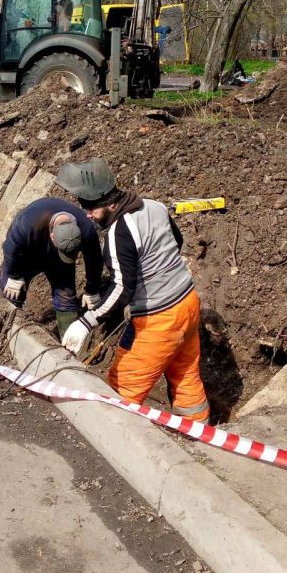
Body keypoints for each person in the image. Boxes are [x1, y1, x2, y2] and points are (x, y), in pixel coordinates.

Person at [55, 158, 210, 423]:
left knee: (122, 386)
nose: (88, 215)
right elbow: (177, 241)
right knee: (185, 374)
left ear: (108, 202)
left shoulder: (119, 232)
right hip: (188, 303)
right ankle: (200, 437)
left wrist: (86, 321)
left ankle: (117, 440)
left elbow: (122, 288)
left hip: (159, 319)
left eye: (90, 207)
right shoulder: (154, 206)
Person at [0, 197, 103, 338]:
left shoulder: (86, 229)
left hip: (58, 261)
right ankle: (6, 333)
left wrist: (92, 289)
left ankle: (69, 340)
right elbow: (10, 247)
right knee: (12, 291)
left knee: (66, 297)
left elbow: (94, 259)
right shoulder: (28, 224)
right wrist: (14, 275)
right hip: (28, 254)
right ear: (52, 236)